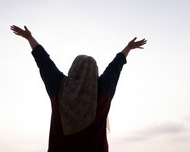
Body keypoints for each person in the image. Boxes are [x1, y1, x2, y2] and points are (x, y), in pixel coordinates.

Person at [11, 25, 147, 152]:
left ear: (73, 68)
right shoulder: (103, 90)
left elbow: (43, 61)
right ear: (95, 72)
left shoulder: (58, 86)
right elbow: (115, 67)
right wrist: (128, 48)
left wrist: (29, 38)